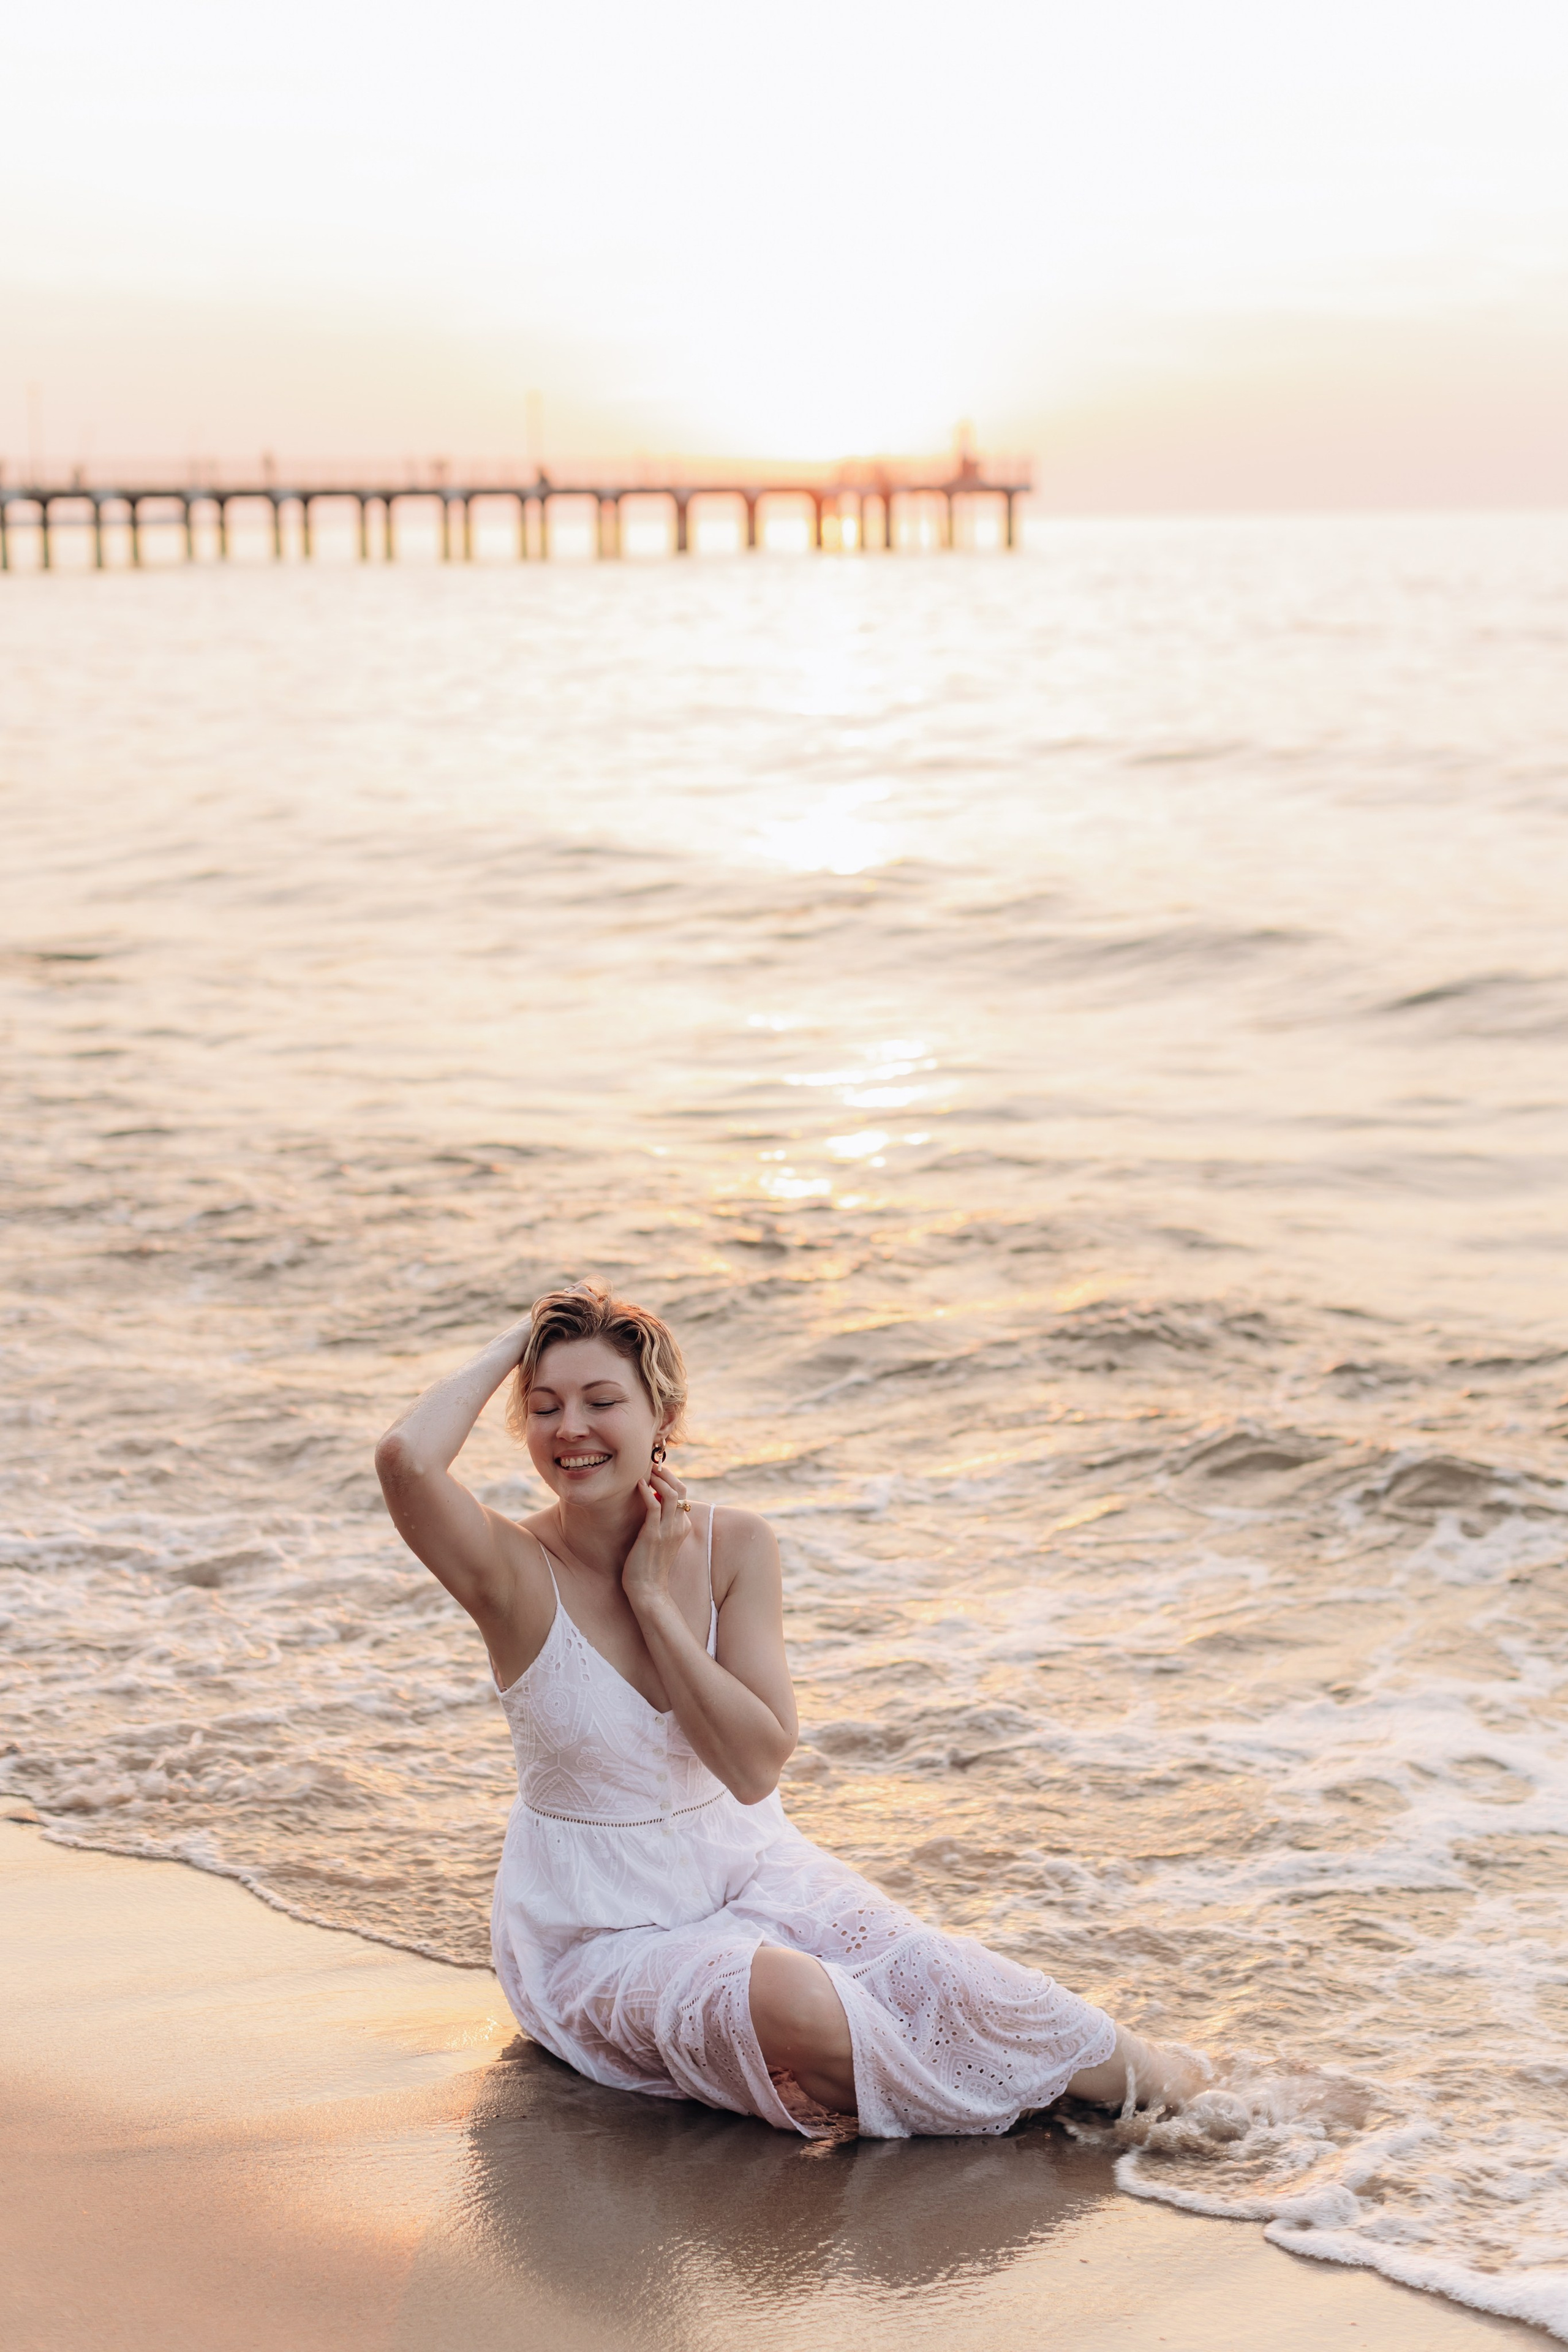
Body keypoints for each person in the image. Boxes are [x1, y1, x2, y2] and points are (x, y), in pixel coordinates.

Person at [374, 1280, 1203, 2139]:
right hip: (594, 1928)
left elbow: (752, 1766)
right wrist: (528, 1329)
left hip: (752, 1868)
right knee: (802, 2002)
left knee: (945, 1976)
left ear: (663, 1415)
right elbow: (406, 1459)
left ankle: (1218, 2117)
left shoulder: (735, 1545)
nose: (571, 1429)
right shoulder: (511, 1572)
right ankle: (1027, 2119)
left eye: (601, 1401)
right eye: (544, 1407)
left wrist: (655, 1603)